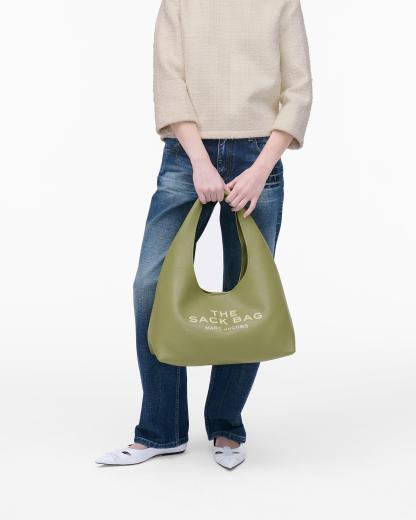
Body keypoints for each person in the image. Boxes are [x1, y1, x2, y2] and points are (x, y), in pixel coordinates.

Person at [96, 0, 312, 469]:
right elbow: (169, 82)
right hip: (186, 155)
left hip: (259, 158)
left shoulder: (281, 3)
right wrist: (199, 160)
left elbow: (298, 91)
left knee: (248, 292)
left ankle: (227, 427)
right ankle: (161, 430)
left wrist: (260, 171)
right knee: (150, 285)